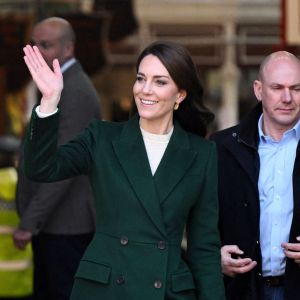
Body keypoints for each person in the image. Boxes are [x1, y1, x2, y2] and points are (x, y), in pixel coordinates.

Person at [21, 40, 225, 299]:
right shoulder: (102, 138)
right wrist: (50, 102)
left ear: (180, 95)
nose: (145, 90)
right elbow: (40, 168)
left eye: (160, 82)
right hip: (106, 289)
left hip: (167, 291)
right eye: (141, 79)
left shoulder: (202, 154)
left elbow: (204, 248)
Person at [13, 17, 101, 300]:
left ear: (68, 49)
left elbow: (63, 168)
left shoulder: (75, 91)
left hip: (66, 224)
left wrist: (29, 222)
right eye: (33, 44)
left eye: (46, 45)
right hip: (56, 223)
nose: (37, 51)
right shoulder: (60, 84)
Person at [211, 51, 300, 300]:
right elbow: (200, 220)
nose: (287, 97)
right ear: (259, 90)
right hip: (241, 290)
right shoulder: (223, 147)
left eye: (296, 88)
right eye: (277, 87)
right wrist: (213, 256)